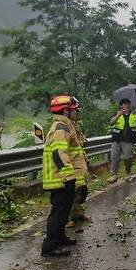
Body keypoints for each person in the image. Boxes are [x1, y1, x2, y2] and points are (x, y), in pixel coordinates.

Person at [41, 95, 81, 257]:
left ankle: (60, 237)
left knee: (63, 211)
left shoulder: (64, 126)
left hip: (63, 177)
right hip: (62, 178)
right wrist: (69, 177)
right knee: (58, 212)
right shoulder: (60, 128)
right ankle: (50, 246)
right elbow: (59, 154)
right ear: (65, 111)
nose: (77, 113)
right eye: (74, 110)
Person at [68, 97, 91, 227]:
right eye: (76, 111)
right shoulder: (65, 127)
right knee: (71, 193)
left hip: (79, 163)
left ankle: (79, 214)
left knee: (81, 191)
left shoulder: (75, 125)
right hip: (71, 165)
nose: (78, 113)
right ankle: (69, 218)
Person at [108, 98, 136, 183]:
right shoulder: (117, 113)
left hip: (129, 140)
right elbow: (111, 122)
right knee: (114, 157)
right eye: (124, 104)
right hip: (116, 139)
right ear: (121, 106)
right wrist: (118, 115)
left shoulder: (134, 114)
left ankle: (128, 173)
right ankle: (114, 175)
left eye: (128, 104)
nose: (126, 106)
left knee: (127, 158)